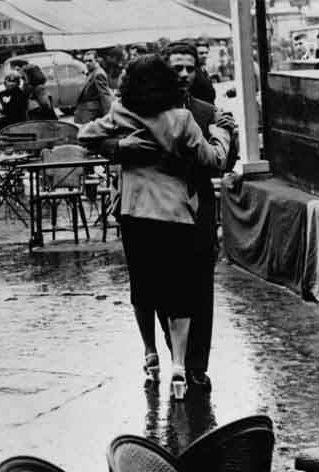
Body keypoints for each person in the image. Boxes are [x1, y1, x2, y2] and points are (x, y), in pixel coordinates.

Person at [79, 55, 231, 399]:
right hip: (175, 214)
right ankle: (179, 363)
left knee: (144, 288)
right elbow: (214, 160)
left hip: (134, 214)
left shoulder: (121, 114)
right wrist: (221, 132)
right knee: (180, 290)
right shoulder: (181, 119)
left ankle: (151, 356)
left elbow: (85, 134)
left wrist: (120, 146)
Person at [155, 42, 237, 390]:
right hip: (158, 212)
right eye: (177, 68)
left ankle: (196, 365)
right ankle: (177, 356)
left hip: (199, 210)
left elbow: (226, 163)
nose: (185, 75)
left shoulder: (207, 112)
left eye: (190, 68)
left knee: (200, 287)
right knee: (162, 287)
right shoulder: (148, 110)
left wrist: (229, 133)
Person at [74, 50, 113, 124]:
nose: (87, 63)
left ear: (96, 60)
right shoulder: (92, 72)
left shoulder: (98, 74)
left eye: (90, 61)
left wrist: (108, 115)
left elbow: (105, 95)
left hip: (92, 113)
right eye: (85, 61)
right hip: (86, 112)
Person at [188, 40, 217, 104]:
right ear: (194, 54)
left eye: (206, 53)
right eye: (201, 53)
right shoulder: (192, 71)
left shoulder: (203, 70)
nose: (205, 55)